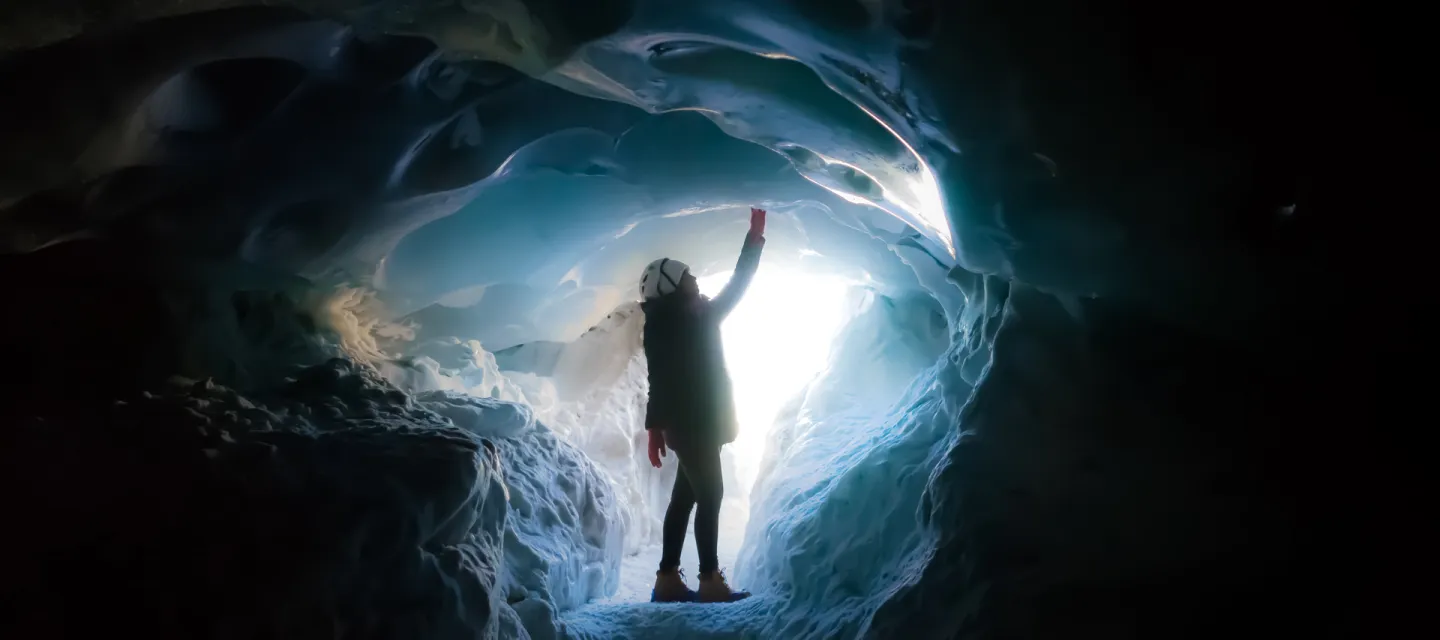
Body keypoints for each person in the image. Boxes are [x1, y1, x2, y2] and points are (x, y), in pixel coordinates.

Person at [638, 207, 766, 604]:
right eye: (687, 274)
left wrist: (656, 428)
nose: (694, 278)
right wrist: (755, 237)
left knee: (685, 498)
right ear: (674, 285)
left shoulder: (673, 321)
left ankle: (666, 580)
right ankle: (709, 580)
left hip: (688, 425)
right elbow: (738, 284)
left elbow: (657, 379)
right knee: (711, 494)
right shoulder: (691, 318)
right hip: (693, 426)